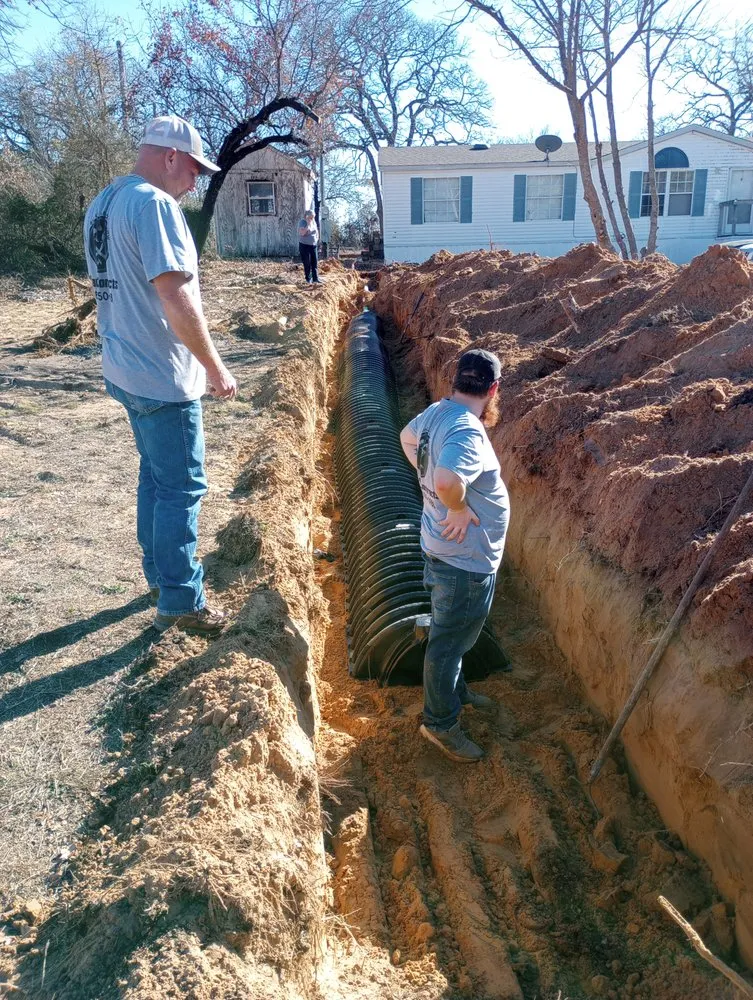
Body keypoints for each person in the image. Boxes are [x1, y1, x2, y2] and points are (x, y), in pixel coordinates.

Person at [83, 114, 237, 638]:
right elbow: (175, 294)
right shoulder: (154, 205)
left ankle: (159, 575)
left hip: (123, 366)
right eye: (193, 169)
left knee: (156, 475)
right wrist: (215, 367)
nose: (194, 182)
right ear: (170, 156)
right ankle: (181, 600)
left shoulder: (105, 202)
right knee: (182, 487)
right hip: (160, 373)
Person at [400, 349, 510, 763]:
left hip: (443, 549)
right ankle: (440, 723)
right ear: (493, 389)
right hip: (462, 561)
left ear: (456, 382)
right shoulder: (466, 430)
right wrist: (458, 507)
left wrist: (430, 481)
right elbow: (447, 480)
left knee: (455, 633)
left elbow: (407, 439)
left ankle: (456, 690)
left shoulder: (437, 413)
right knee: (448, 642)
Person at [298, 209, 321, 284]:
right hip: (304, 246)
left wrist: (317, 239)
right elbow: (302, 233)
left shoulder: (313, 222)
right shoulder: (302, 222)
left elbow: (316, 231)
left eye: (313, 217)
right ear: (306, 216)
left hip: (313, 245)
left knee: (314, 262)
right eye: (311, 217)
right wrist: (308, 224)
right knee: (307, 263)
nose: (312, 218)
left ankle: (315, 279)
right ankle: (308, 278)